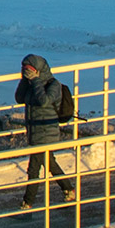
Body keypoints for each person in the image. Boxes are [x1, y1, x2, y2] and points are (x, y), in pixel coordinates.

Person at [14, 53, 75, 204]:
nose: (28, 72)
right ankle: (68, 189)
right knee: (49, 163)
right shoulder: (30, 84)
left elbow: (44, 101)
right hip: (35, 132)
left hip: (46, 132)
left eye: (30, 70)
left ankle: (27, 204)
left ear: (39, 69)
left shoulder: (53, 85)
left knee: (34, 169)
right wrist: (24, 80)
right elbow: (19, 98)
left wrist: (35, 81)